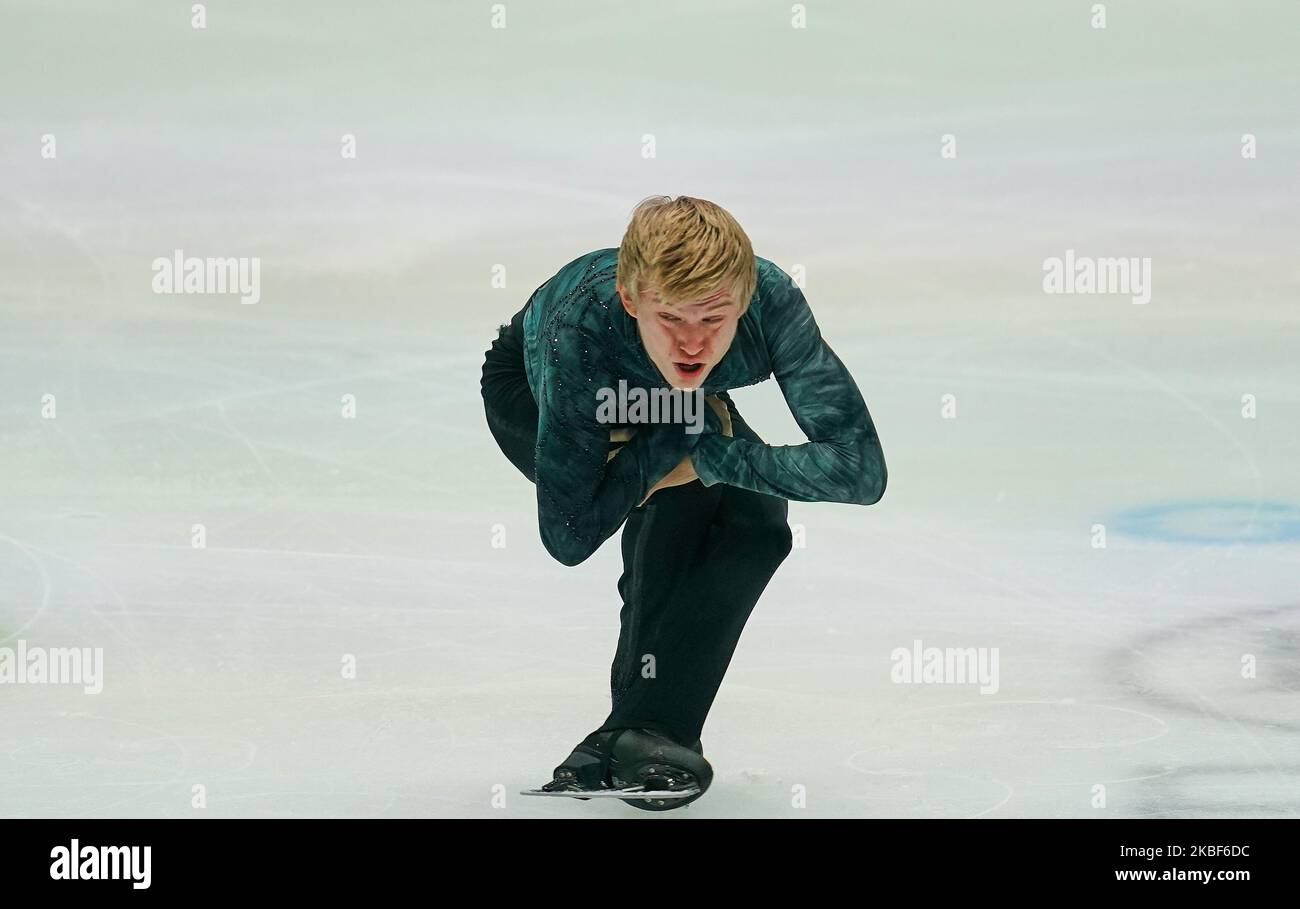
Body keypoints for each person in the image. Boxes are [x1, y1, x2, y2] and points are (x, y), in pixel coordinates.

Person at [480, 196, 886, 809]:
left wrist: (706, 455)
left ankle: (640, 734)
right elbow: (568, 532)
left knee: (754, 522)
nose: (693, 343)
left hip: (679, 407)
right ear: (631, 299)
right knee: (680, 504)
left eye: (714, 318)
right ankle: (641, 733)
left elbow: (860, 472)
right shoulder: (582, 331)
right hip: (546, 395)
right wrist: (674, 439)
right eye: (670, 318)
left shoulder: (773, 304)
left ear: (746, 302)